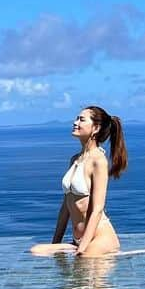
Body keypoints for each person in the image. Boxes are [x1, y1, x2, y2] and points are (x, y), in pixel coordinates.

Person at [29, 106, 128, 257]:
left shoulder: (98, 160)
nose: (75, 122)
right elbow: (65, 207)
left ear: (95, 128)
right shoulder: (75, 159)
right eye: (76, 118)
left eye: (81, 119)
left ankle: (86, 249)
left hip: (99, 237)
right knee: (36, 251)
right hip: (78, 239)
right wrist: (55, 244)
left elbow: (97, 209)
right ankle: (78, 248)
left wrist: (83, 247)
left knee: (84, 259)